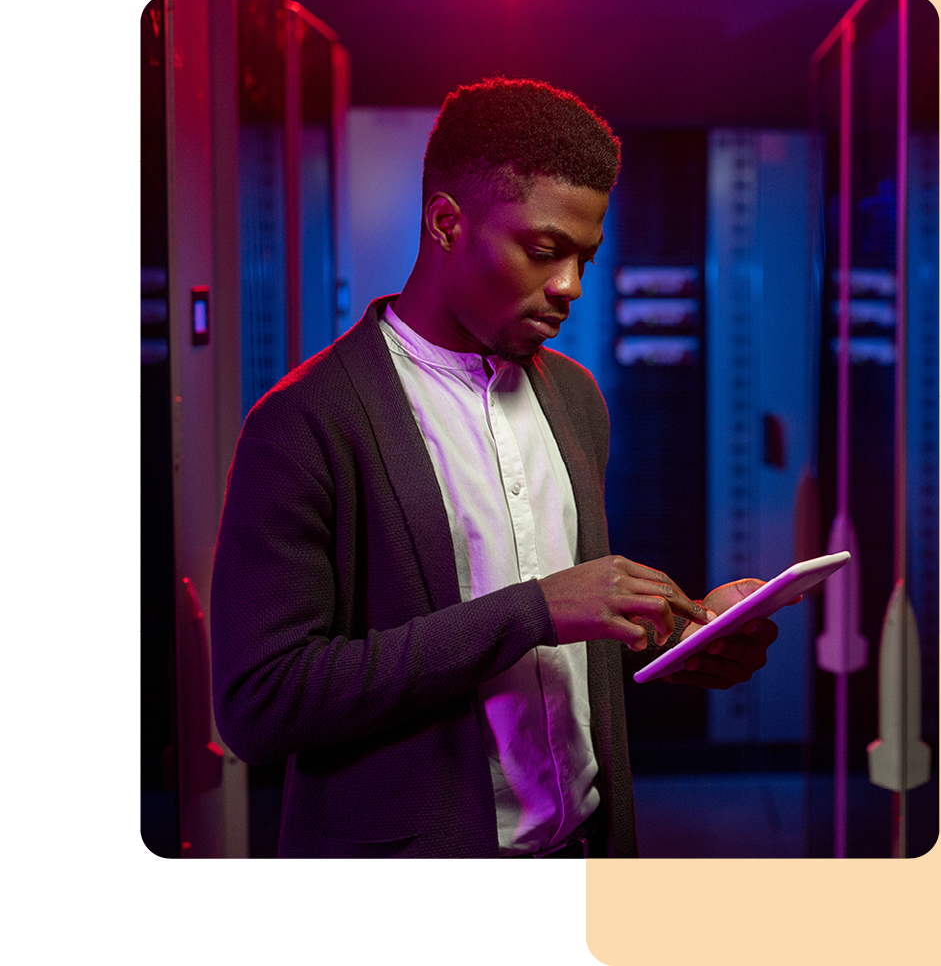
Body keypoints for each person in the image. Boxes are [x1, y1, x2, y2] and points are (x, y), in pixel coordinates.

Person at [211, 77, 778, 858]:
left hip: (587, 853)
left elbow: (566, 635)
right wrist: (535, 608)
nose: (570, 287)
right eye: (545, 251)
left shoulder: (575, 397)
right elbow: (262, 705)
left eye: (585, 257)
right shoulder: (304, 423)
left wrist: (678, 639)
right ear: (447, 223)